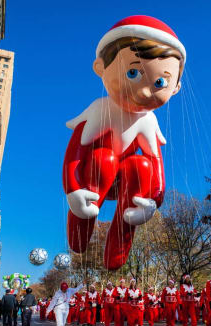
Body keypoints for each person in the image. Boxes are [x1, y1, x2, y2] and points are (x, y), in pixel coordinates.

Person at [62, 15, 186, 271]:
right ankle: (80, 222)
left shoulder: (148, 121)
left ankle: (121, 240)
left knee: (141, 164)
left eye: (160, 82)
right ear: (100, 69)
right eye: (132, 73)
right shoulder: (100, 110)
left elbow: (156, 166)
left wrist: (153, 201)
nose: (143, 91)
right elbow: (76, 152)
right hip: (95, 178)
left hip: (128, 184)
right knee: (103, 157)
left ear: (175, 88)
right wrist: (73, 189)